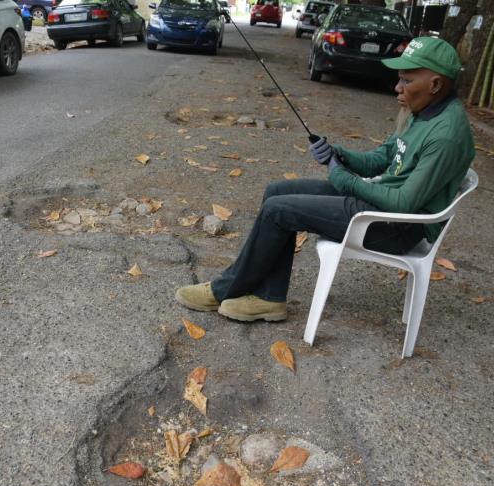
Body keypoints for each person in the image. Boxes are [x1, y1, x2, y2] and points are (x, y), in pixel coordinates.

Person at [175, 37, 475, 322]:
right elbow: (380, 159)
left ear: (435, 84)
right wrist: (337, 153)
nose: (397, 87)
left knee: (278, 211)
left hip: (393, 227)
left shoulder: (446, 134)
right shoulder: (422, 112)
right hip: (376, 205)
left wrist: (343, 178)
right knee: (277, 191)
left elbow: (405, 203)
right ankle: (269, 297)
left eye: (407, 81)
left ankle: (224, 290)